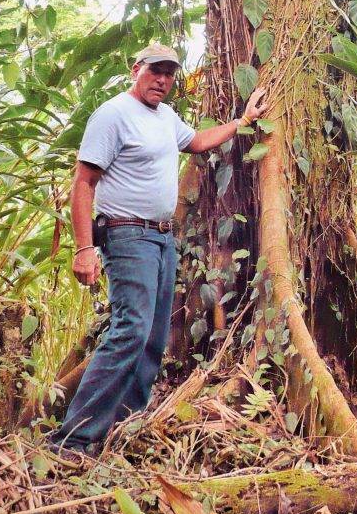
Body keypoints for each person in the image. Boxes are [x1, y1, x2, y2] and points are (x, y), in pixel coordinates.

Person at [49, 42, 266, 459]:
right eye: (155, 71)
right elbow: (83, 184)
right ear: (137, 69)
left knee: (152, 336)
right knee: (130, 330)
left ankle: (121, 428)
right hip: (127, 235)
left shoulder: (165, 117)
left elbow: (198, 142)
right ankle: (72, 439)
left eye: (169, 73)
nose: (162, 80)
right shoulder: (113, 115)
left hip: (163, 239)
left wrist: (243, 120)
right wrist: (83, 248)